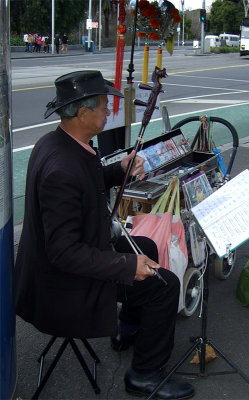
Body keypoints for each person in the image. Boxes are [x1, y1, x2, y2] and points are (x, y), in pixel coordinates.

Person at [14, 70, 194, 400]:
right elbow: (64, 253)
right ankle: (143, 375)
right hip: (59, 283)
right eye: (102, 106)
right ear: (82, 115)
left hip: (69, 259)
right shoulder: (61, 169)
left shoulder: (60, 144)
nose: (108, 111)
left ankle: (127, 329)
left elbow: (87, 184)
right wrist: (126, 268)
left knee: (146, 245)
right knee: (164, 286)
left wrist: (117, 170)